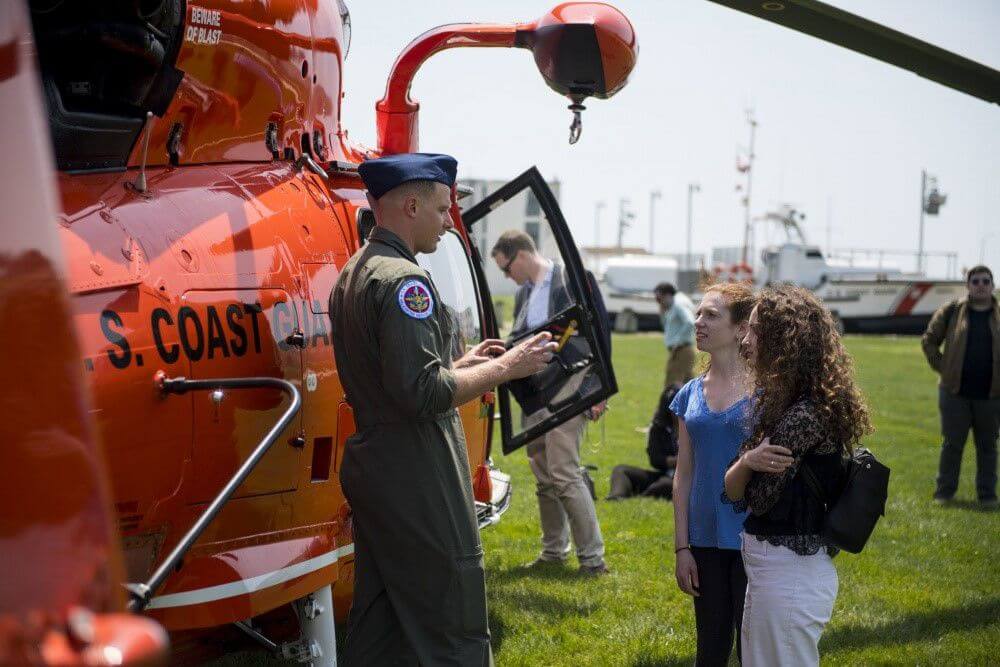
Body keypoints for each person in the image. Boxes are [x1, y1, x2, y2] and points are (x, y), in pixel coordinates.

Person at [330, 153, 558, 665]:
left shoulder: (355, 271)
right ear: (410, 205)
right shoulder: (405, 281)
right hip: (417, 470)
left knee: (382, 619)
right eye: (440, 210)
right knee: (453, 618)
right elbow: (422, 393)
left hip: (376, 465)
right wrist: (505, 368)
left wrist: (461, 364)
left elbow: (394, 377)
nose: (446, 222)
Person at [724, 285, 873, 667]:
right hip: (773, 572)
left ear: (783, 339)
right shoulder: (788, 403)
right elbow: (734, 489)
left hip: (789, 576)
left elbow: (755, 498)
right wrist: (747, 464)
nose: (746, 338)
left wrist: (746, 466)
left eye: (756, 329)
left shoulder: (805, 415)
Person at [491, 229, 611, 576]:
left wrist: (598, 391)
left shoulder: (572, 278)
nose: (506, 275)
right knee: (543, 473)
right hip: (538, 391)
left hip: (573, 385)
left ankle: (593, 559)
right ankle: (554, 551)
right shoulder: (523, 294)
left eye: (505, 267)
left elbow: (600, 332)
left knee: (563, 471)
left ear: (522, 256)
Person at [670, 282, 754, 666]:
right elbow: (683, 475)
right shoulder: (688, 394)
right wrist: (682, 548)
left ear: (740, 329)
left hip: (756, 538)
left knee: (754, 650)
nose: (698, 322)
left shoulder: (766, 392)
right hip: (703, 540)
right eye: (699, 313)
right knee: (711, 651)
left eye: (711, 315)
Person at [921, 265, 999, 507]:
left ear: (992, 285)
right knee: (951, 445)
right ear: (968, 286)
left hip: (991, 395)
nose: (981, 285)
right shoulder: (952, 311)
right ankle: (944, 493)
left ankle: (987, 496)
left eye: (986, 281)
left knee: (988, 447)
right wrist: (944, 368)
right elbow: (929, 341)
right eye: (975, 281)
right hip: (954, 393)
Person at [607, 385, 679, 500]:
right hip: (666, 473)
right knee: (621, 470)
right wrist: (674, 461)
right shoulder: (659, 428)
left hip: (684, 480)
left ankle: (643, 495)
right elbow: (655, 460)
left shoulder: (694, 428)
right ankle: (616, 496)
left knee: (667, 485)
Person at [655, 282, 697, 389]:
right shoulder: (673, 306)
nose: (659, 302)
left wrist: (677, 341)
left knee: (672, 384)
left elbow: (689, 322)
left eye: (659, 299)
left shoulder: (678, 305)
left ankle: (667, 406)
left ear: (668, 295)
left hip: (681, 349)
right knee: (687, 383)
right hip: (681, 349)